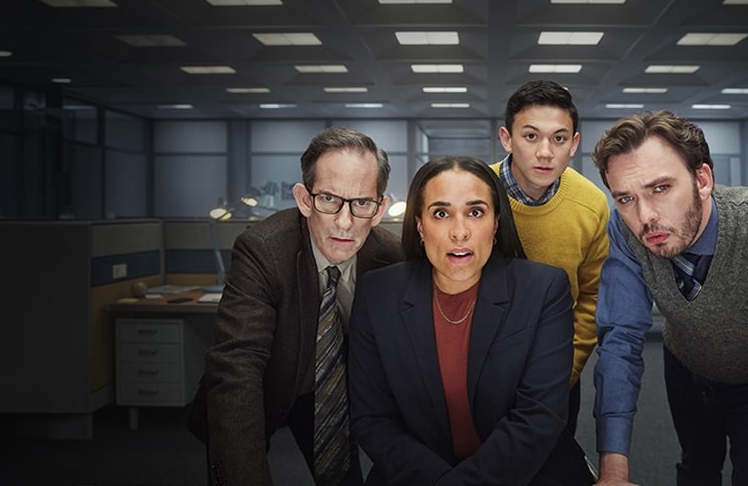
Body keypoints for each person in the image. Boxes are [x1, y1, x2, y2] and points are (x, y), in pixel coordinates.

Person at [349, 156, 593, 485]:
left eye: (475, 212)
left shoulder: (543, 289)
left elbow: (539, 417)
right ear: (419, 224)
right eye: (441, 213)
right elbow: (373, 419)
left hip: (527, 475)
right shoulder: (378, 293)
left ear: (495, 224)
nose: (460, 232)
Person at [187, 127, 404, 486]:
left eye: (362, 203)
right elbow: (237, 364)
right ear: (304, 200)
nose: (345, 222)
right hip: (260, 390)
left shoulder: (393, 258)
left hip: (333, 392)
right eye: (329, 199)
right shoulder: (264, 250)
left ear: (380, 208)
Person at [590, 110, 748, 486]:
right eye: (625, 198)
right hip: (687, 365)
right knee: (695, 469)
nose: (645, 216)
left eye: (660, 188)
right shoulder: (626, 229)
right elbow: (621, 337)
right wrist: (614, 470)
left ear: (703, 179)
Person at [491, 79, 610, 433]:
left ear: (573, 144)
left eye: (559, 138)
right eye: (530, 137)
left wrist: (568, 369)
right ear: (506, 138)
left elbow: (593, 295)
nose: (545, 152)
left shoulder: (591, 204)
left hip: (555, 369)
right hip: (479, 367)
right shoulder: (474, 192)